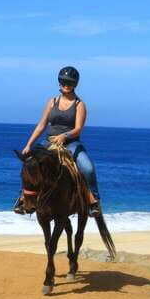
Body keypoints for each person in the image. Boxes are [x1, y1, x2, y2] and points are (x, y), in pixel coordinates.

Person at [14, 66, 102, 216]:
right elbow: (42, 124)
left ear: (75, 84)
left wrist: (64, 136)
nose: (66, 85)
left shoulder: (79, 105)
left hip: (71, 143)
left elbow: (78, 128)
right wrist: (28, 144)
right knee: (30, 165)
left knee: (88, 168)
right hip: (49, 142)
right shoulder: (52, 101)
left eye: (69, 83)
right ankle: (23, 199)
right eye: (63, 82)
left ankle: (93, 201)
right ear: (59, 83)